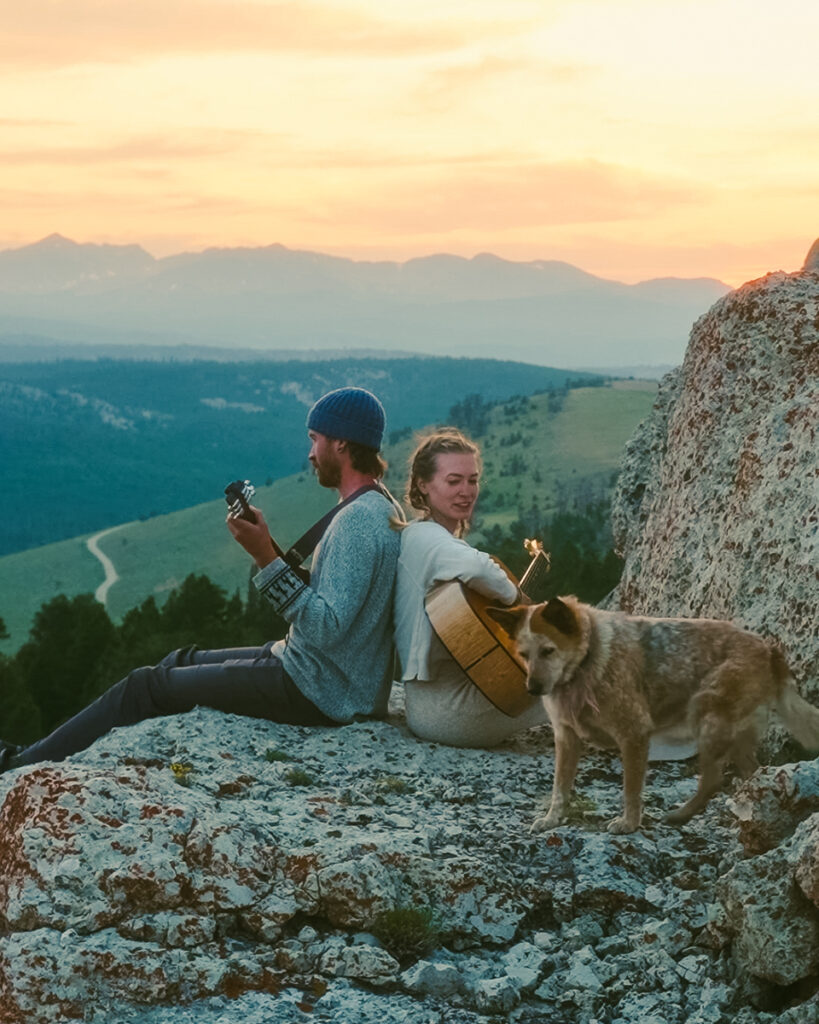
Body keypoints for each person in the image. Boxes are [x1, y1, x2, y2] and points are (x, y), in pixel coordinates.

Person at [0, 387, 401, 774]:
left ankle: (19, 767)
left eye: (316, 440)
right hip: (319, 673)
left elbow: (328, 627)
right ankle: (34, 753)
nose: (310, 453)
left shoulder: (358, 522)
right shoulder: (371, 505)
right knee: (178, 661)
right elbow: (336, 602)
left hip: (319, 690)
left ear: (342, 444)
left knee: (144, 687)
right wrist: (268, 545)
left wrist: (263, 556)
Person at [393, 429, 550, 747]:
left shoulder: (429, 539)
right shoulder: (425, 537)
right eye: (453, 481)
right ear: (423, 484)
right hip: (451, 710)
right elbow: (478, 568)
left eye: (472, 480)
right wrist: (516, 598)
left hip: (438, 706)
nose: (466, 491)